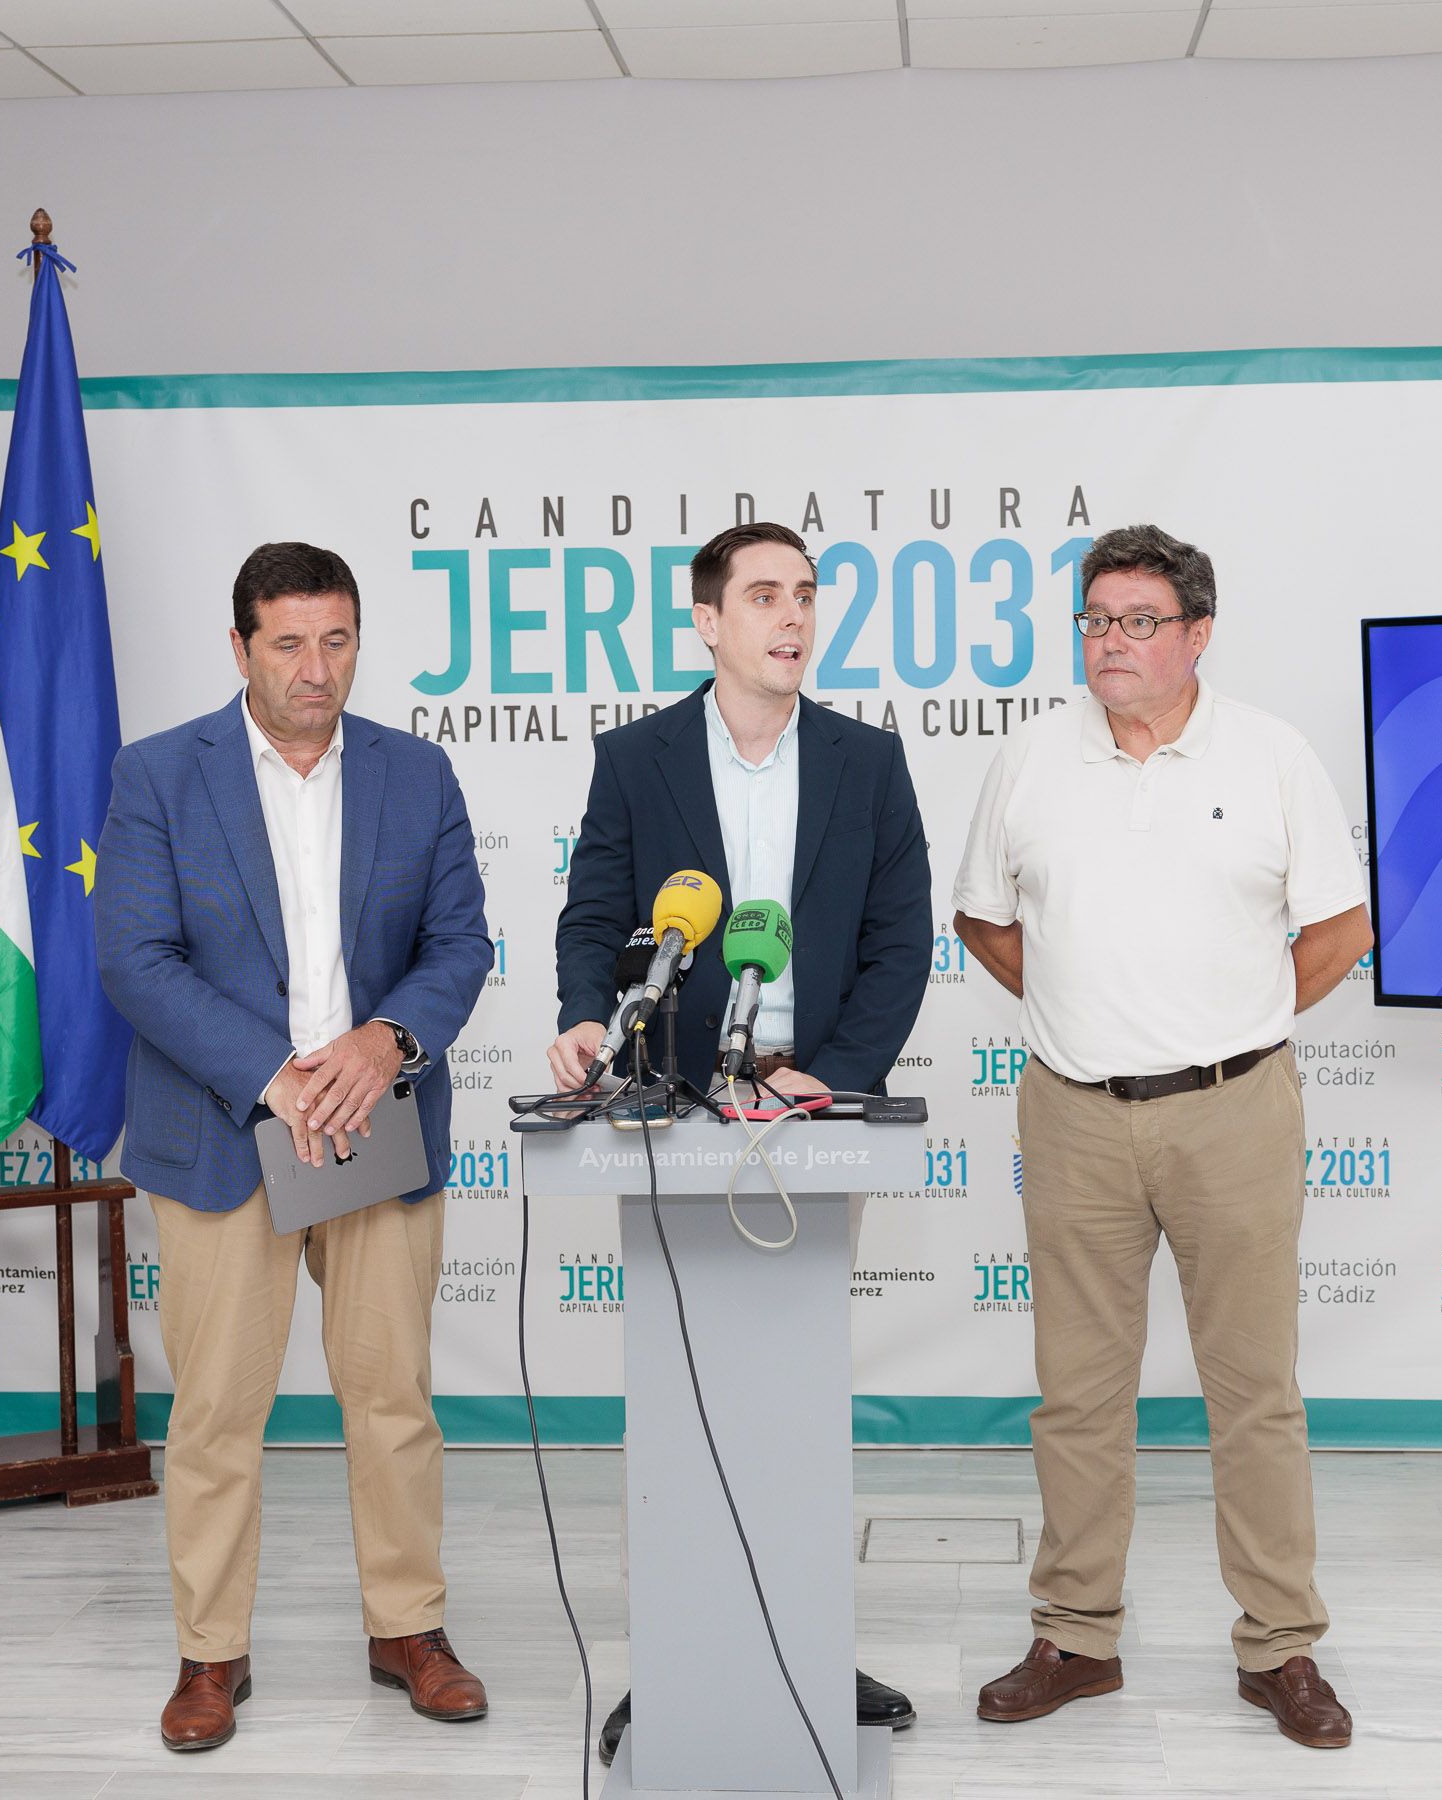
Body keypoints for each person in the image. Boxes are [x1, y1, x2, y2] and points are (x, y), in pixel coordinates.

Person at [951, 523, 1374, 1750]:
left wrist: (1233, 1024)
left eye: (1139, 621)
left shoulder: (1272, 754)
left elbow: (1340, 929)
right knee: (1078, 1395)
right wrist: (1084, 1009)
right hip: (1074, 1113)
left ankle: (1280, 1647)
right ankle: (1075, 1637)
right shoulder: (1031, 757)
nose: (1112, 642)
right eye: (1096, 620)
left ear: (1197, 634)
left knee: (1255, 1394)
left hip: (1234, 1110)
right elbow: (981, 918)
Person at [96, 541, 495, 1753]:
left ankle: (408, 1629)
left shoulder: (416, 773)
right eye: (288, 643)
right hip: (226, 1131)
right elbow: (136, 960)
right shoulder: (160, 774)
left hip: (377, 1122)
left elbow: (460, 942)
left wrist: (385, 1042)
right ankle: (210, 1654)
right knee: (217, 1410)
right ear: (241, 648)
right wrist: (277, 1076)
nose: (316, 668)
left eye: (336, 641)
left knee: (392, 1397)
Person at [547, 520, 931, 1764]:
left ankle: (803, 1646)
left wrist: (832, 1076)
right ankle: (678, 1658)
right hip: (678, 1107)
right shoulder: (637, 759)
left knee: (795, 1396)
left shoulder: (869, 762)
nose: (793, 615)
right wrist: (584, 1018)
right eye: (764, 595)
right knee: (679, 1404)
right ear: (707, 620)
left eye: (806, 594)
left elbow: (899, 942)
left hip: (815, 1110)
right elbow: (595, 918)